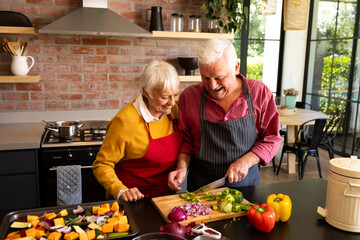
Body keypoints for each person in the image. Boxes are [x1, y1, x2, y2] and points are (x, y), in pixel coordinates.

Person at [168, 38, 282, 192]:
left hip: (247, 187)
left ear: (236, 67)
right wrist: (182, 167)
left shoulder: (259, 93)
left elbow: (271, 139)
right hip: (202, 188)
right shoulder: (190, 97)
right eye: (205, 78)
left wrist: (246, 161)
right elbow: (186, 142)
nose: (212, 86)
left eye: (219, 77)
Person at [93, 60, 181, 202]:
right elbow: (102, 164)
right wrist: (120, 191)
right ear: (146, 92)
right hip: (132, 202)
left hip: (164, 197)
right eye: (165, 97)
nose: (172, 102)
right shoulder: (124, 122)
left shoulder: (173, 111)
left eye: (175, 95)